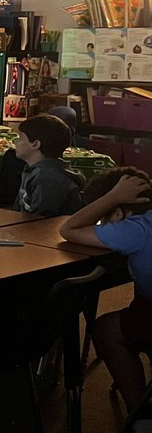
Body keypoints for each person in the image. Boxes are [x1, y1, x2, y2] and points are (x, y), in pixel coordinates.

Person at [60, 167, 152, 412]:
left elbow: (68, 230)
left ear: (119, 213)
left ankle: (140, 417)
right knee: (138, 314)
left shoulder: (133, 229)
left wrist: (112, 197)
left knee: (106, 331)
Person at [12, 113, 84, 216]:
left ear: (35, 144)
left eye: (20, 138)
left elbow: (41, 221)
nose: (16, 142)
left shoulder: (47, 177)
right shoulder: (33, 170)